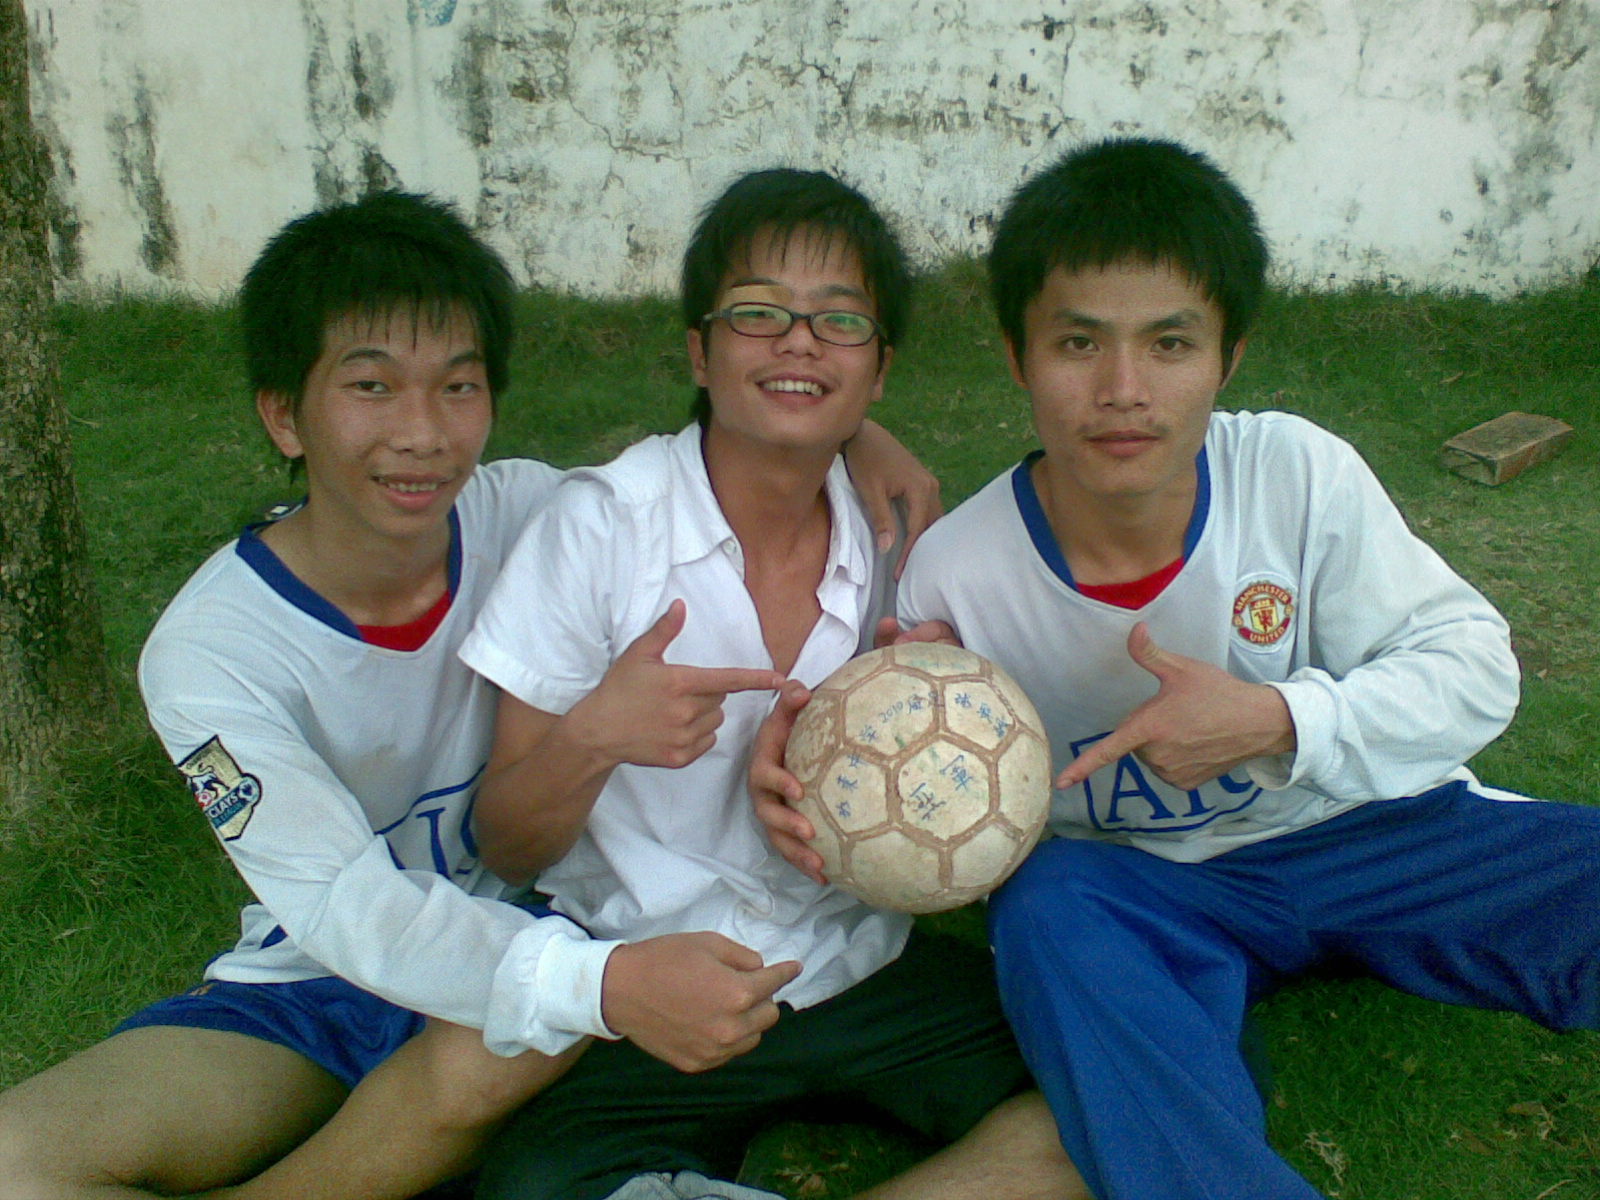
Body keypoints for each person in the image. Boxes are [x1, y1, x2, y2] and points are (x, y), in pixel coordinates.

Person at [0, 189, 942, 1200]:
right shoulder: (212, 651)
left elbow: (710, 470)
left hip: (535, 948)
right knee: (20, 1160)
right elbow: (344, 906)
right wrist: (605, 983)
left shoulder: (527, 510)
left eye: (457, 387)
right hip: (325, 978)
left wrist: (852, 436)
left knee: (500, 1059)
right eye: (371, 386)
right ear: (283, 414)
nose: (422, 434)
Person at [754, 135, 1600, 1200]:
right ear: (1018, 356)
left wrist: (1278, 719)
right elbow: (925, 803)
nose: (1123, 390)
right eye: (1078, 343)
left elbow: (1474, 667)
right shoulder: (958, 577)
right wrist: (857, 773)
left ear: (1226, 357)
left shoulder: (1294, 473)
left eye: (1168, 343)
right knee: (1050, 911)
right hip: (1149, 888)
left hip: (1367, 831)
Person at [459, 167, 1086, 1200]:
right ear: (699, 351)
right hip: (662, 986)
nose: (799, 343)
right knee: (531, 1187)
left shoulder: (895, 538)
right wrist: (595, 735)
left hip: (860, 960)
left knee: (1116, 1083)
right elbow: (503, 843)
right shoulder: (600, 530)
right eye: (758, 313)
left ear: (878, 370)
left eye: (839, 321)